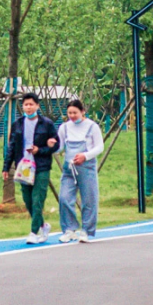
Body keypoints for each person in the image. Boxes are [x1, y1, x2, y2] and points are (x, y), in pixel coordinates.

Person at [4, 90, 59, 244]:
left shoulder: (46, 124)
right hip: (24, 166)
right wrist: (6, 167)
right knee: (27, 200)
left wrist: (40, 150)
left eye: (31, 104)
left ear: (37, 106)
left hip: (41, 166)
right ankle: (43, 226)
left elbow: (56, 145)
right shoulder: (18, 124)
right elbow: (11, 147)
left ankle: (34, 232)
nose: (28, 107)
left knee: (37, 200)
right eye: (26, 104)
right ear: (22, 106)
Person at [57, 97, 103, 242]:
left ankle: (86, 231)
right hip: (69, 169)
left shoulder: (92, 127)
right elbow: (59, 146)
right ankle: (69, 229)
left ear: (82, 111)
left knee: (89, 199)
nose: (72, 116)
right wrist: (51, 145)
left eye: (75, 113)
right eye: (69, 113)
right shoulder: (64, 127)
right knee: (64, 198)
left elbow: (99, 147)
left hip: (86, 168)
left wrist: (85, 156)